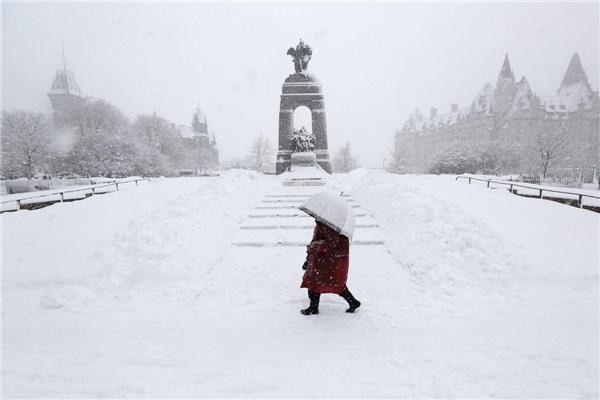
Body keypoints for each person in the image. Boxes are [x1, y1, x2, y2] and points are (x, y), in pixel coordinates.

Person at [300, 220, 361, 315]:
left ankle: (313, 308)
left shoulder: (329, 225)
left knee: (314, 282)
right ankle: (352, 302)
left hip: (326, 260)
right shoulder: (324, 223)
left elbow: (329, 243)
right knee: (321, 282)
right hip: (323, 258)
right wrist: (308, 258)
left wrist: (311, 247)